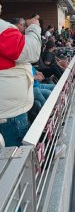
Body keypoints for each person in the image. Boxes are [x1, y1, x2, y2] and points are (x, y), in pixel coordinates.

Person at [0, 11, 41, 147]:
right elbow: (32, 51)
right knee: (16, 160)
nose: (23, 29)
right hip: (9, 117)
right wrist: (34, 27)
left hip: (8, 113)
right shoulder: (2, 29)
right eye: (22, 25)